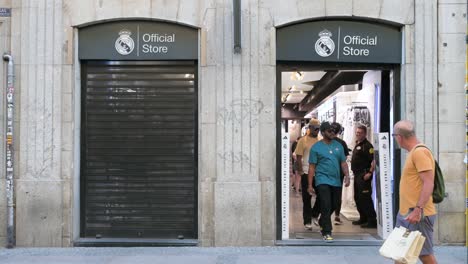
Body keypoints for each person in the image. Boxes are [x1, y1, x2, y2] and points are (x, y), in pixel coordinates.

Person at [393, 120, 437, 264]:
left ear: (399, 137)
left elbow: (428, 182)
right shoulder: (414, 153)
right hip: (407, 213)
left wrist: (418, 210)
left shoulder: (420, 152)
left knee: (424, 255)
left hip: (417, 215)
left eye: (394, 136)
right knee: (400, 254)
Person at [307, 121, 350, 242]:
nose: (332, 133)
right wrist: (310, 185)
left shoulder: (338, 146)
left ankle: (322, 220)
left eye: (333, 131)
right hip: (322, 179)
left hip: (336, 180)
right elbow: (312, 167)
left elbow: (343, 162)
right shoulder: (316, 147)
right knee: (325, 204)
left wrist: (347, 175)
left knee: (335, 204)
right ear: (323, 132)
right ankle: (326, 231)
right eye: (329, 131)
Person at [294, 119, 321, 230]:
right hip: (306, 171)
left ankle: (314, 214)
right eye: (315, 128)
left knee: (322, 195)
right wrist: (300, 171)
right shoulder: (303, 140)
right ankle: (307, 220)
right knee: (307, 198)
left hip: (319, 172)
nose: (317, 131)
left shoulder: (320, 140)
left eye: (318, 129)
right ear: (310, 128)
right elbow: (299, 157)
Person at [350, 125, 377, 228]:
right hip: (357, 175)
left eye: (360, 132)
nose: (358, 134)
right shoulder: (358, 144)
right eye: (357, 132)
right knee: (358, 198)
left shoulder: (367, 146)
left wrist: (370, 173)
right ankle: (363, 218)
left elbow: (374, 160)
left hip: (364, 175)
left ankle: (371, 220)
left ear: (365, 134)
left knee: (365, 198)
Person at [330, 122, 350, 225]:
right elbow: (344, 159)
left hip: (329, 172)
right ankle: (336, 215)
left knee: (328, 194)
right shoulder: (342, 143)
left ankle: (328, 215)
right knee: (337, 194)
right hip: (337, 172)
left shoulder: (325, 141)